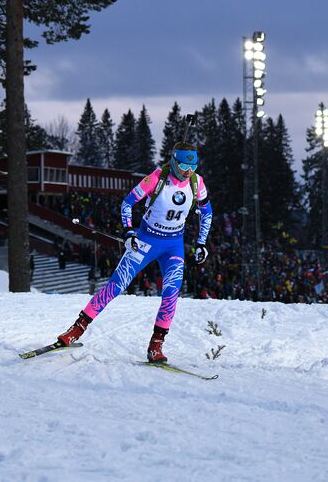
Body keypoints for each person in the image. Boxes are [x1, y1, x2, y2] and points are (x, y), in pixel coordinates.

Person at [56, 142, 212, 363]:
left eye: (193, 167)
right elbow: (127, 203)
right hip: (146, 240)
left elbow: (207, 213)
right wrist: (129, 232)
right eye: (184, 166)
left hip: (173, 245)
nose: (188, 172)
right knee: (116, 286)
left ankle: (156, 346)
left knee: (171, 292)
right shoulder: (156, 178)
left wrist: (202, 243)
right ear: (174, 162)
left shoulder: (197, 184)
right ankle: (76, 329)